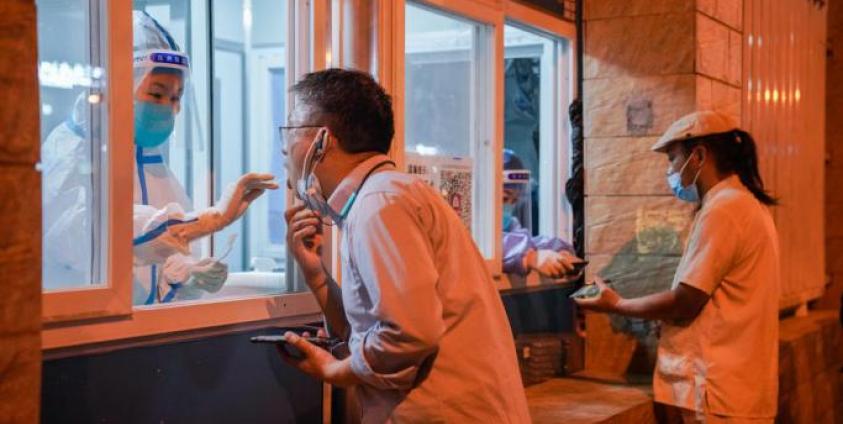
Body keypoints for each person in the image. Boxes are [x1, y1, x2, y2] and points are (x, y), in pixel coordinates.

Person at [280, 69, 530, 423]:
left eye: (290, 130)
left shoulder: (380, 203)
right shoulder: (381, 197)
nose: (283, 147)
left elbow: (409, 333)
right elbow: (372, 328)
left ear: (323, 140)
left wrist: (335, 371)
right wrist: (315, 273)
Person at [41, 11, 277, 304]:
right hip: (81, 331)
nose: (168, 107)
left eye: (176, 97)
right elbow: (84, 236)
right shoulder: (74, 150)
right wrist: (208, 219)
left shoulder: (149, 160)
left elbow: (153, 265)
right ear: (118, 87)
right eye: (156, 94)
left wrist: (186, 276)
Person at [576, 111, 780, 423]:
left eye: (673, 158)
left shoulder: (724, 210)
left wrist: (616, 305)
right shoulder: (743, 204)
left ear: (698, 155)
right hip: (737, 390)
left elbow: (687, 301)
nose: (671, 170)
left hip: (715, 393)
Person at [502, 148, 580, 278]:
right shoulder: (470, 226)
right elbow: (494, 248)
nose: (509, 206)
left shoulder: (510, 223)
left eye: (514, 200)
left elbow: (529, 242)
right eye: (505, 198)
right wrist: (531, 257)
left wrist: (559, 250)